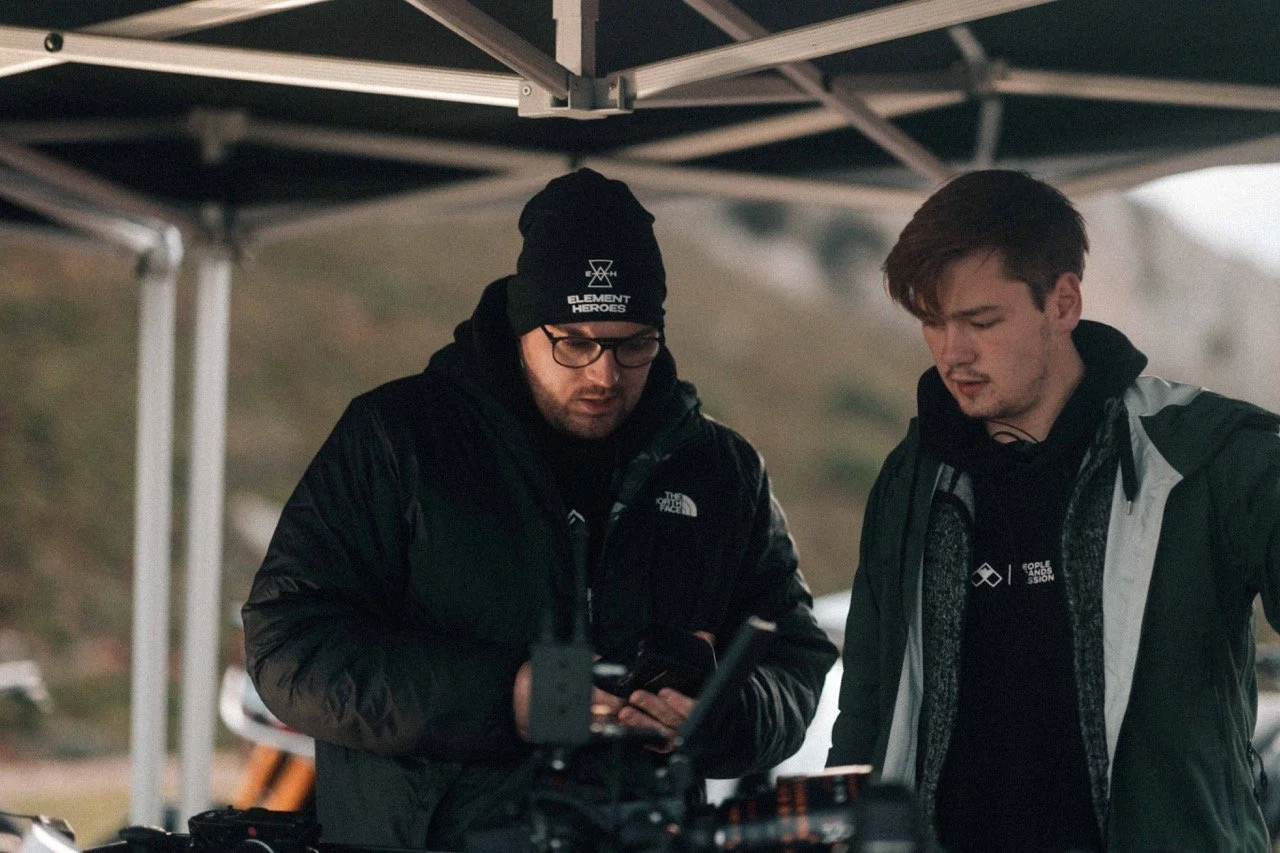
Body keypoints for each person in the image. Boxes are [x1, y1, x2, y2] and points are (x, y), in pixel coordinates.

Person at [242, 167, 837, 850]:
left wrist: (724, 711)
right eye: (576, 341)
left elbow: (795, 658)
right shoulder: (398, 438)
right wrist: (504, 696)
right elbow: (287, 646)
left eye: (634, 342)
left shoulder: (722, 471)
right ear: (523, 324)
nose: (604, 374)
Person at [827, 169, 1280, 852]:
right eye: (933, 322)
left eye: (981, 321)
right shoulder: (912, 478)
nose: (954, 352)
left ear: (1063, 303)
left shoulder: (1202, 455)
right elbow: (866, 705)